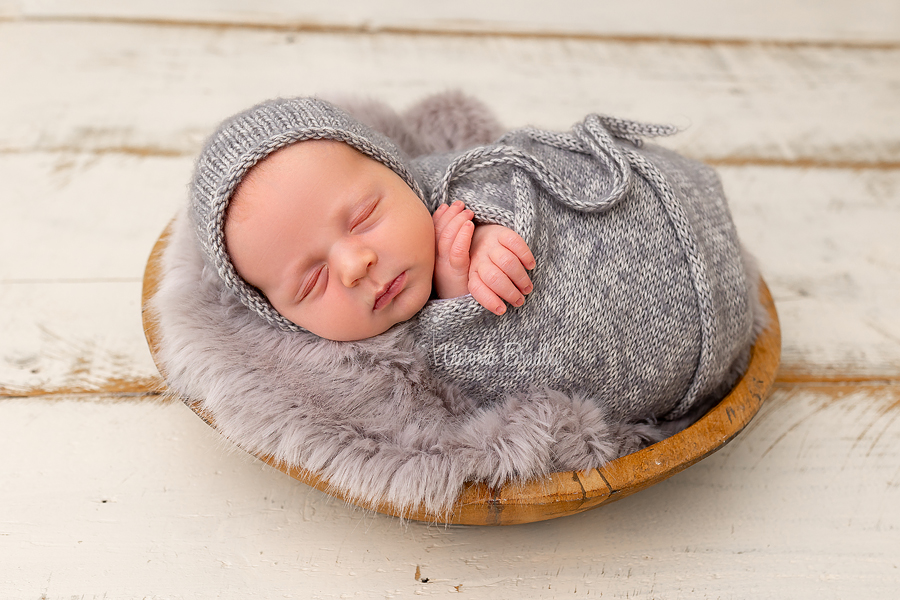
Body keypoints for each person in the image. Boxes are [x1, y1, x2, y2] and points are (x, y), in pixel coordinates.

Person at [190, 96, 756, 421]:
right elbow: (475, 400)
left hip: (662, 221)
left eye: (363, 216)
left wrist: (487, 237)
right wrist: (454, 302)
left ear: (399, 171)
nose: (354, 264)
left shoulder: (458, 192)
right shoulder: (358, 384)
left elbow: (494, 184)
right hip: (663, 359)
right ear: (278, 317)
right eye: (311, 282)